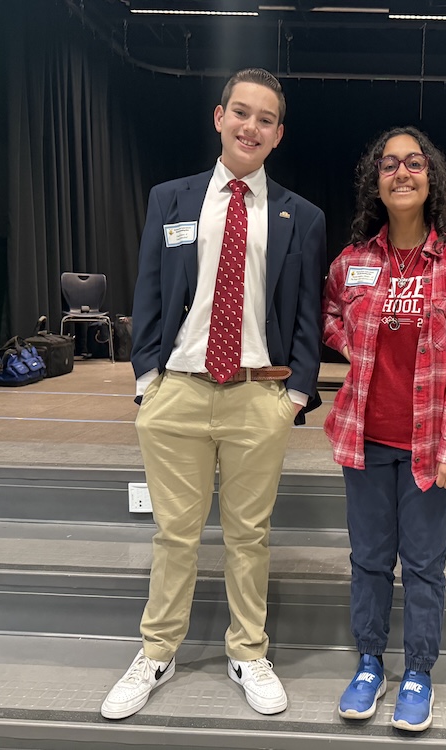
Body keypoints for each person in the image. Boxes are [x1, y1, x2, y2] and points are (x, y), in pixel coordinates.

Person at [100, 68, 326, 721]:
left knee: (248, 536)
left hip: (259, 396)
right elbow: (148, 291)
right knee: (175, 534)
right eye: (241, 113)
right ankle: (157, 651)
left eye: (265, 119)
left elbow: (308, 315)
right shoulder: (169, 199)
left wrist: (296, 395)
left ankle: (247, 652)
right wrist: (148, 383)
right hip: (178, 392)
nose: (251, 126)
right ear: (219, 117)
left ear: (278, 134)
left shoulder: (301, 217)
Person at [322, 126, 446, 732]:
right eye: (390, 164)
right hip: (364, 442)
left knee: (423, 566)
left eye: (415, 163)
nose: (402, 172)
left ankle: (418, 672)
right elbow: (328, 314)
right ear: (376, 180)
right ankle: (370, 662)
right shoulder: (354, 261)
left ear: (432, 179)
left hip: (429, 447)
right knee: (369, 560)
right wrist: (356, 344)